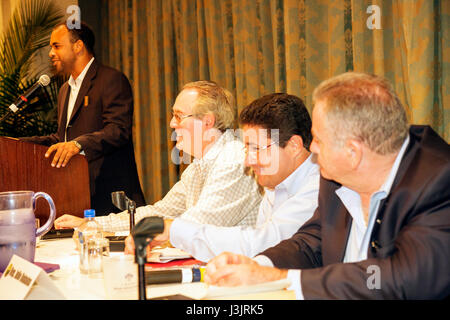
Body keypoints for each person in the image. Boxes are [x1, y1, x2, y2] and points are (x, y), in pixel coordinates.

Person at [205, 72, 450, 300]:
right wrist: (258, 265)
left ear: (353, 152)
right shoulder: (335, 177)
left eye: (319, 140)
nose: (312, 149)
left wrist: (282, 278)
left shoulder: (439, 182)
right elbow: (311, 241)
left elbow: (405, 278)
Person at [127, 93, 320, 262]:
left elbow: (268, 243)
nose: (248, 161)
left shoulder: (318, 187)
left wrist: (173, 230)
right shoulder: (275, 183)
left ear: (294, 146)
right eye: (247, 148)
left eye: (257, 148)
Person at [55, 80, 262, 232]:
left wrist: (149, 234)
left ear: (207, 122)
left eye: (179, 116)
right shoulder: (198, 166)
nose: (172, 123)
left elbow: (196, 226)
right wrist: (93, 223)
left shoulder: (234, 160)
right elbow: (161, 211)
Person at [20, 22, 145, 215]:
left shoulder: (110, 79)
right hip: (77, 196)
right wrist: (16, 143)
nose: (51, 53)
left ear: (78, 46)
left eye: (56, 46)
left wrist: (78, 145)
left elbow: (118, 130)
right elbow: (62, 139)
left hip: (111, 199)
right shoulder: (65, 90)